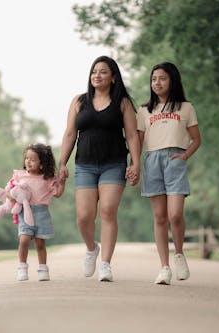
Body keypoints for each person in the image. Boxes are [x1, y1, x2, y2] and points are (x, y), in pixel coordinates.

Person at [58, 55, 140, 282]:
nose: (97, 75)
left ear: (113, 77)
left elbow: (132, 135)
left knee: (107, 211)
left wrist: (136, 162)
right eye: (94, 71)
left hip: (114, 164)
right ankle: (91, 247)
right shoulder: (79, 102)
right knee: (84, 217)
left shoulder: (122, 103)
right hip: (84, 164)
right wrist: (62, 163)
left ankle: (105, 264)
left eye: (103, 72)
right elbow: (69, 134)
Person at [136, 62, 201, 285]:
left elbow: (196, 139)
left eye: (162, 78)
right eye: (154, 79)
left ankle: (179, 254)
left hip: (175, 160)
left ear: (172, 80)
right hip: (152, 161)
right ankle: (164, 268)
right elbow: (138, 140)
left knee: (175, 215)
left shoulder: (186, 108)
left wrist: (184, 156)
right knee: (160, 217)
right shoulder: (145, 110)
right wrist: (134, 164)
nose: (157, 83)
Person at [1, 143, 65, 282]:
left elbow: (58, 193)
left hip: (41, 214)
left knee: (40, 243)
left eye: (33, 159)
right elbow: (8, 191)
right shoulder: (19, 176)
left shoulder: (47, 179)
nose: (28, 161)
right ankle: (22, 268)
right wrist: (13, 196)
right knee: (23, 240)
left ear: (41, 164)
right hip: (25, 212)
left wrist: (62, 182)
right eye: (26, 158)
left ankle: (43, 269)